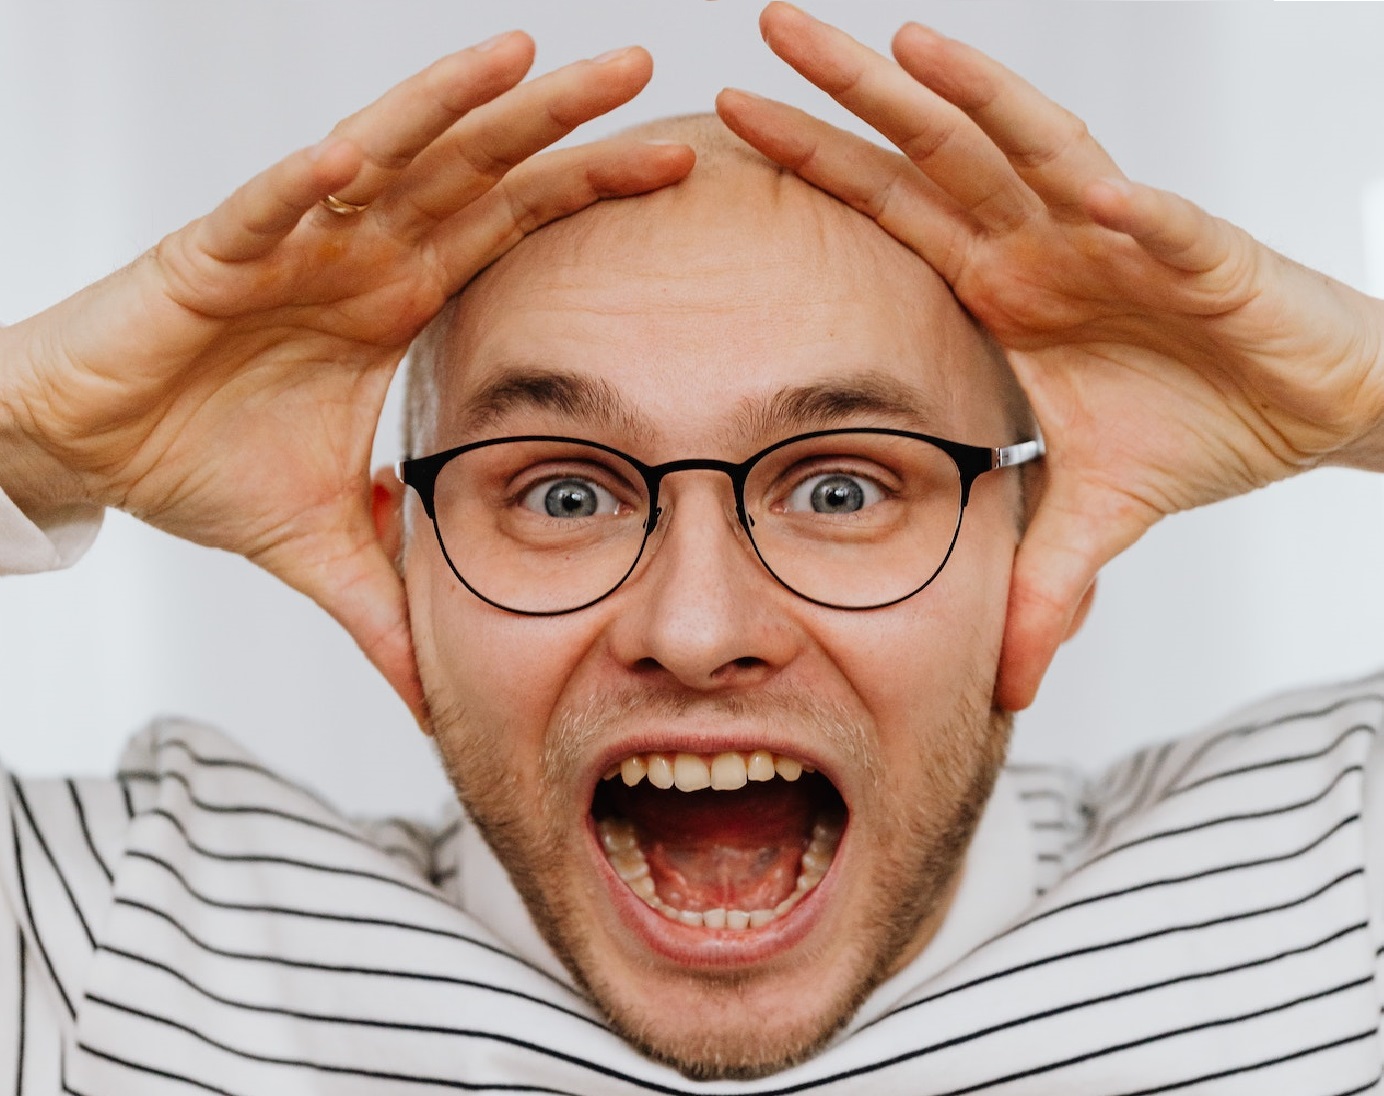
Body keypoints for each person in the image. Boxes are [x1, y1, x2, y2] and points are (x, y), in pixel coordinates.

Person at [2, 3, 1382, 1092]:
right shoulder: (106, 943)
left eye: (839, 491)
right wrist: (31, 434)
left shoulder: (1335, 888)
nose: (698, 625)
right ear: (403, 562)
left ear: (1029, 534)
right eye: (562, 494)